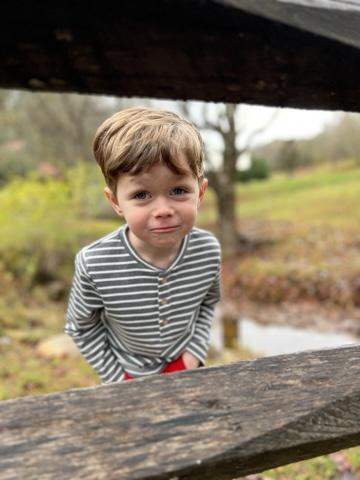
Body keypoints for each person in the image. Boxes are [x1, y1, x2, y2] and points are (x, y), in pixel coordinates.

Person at [65, 107, 221, 383]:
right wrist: (118, 377)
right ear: (115, 202)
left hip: (186, 369)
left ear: (200, 192)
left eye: (178, 190)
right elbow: (81, 327)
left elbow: (207, 303)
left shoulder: (208, 250)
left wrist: (193, 354)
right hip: (127, 377)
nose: (163, 209)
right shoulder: (95, 264)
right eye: (141, 194)